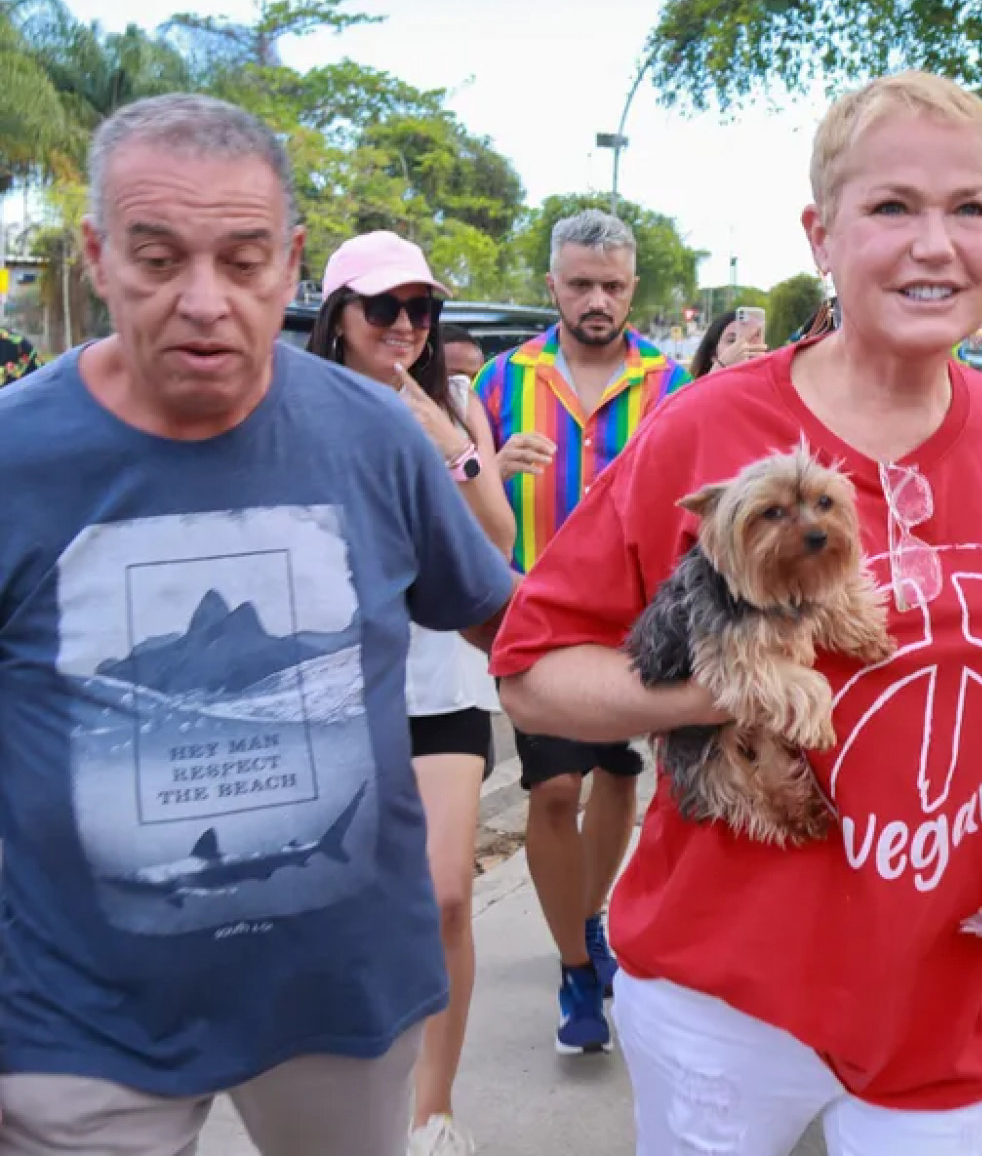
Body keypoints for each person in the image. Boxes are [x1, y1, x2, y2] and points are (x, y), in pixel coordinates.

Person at [492, 71, 982, 1153]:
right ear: (823, 232)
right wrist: (718, 686)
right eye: (891, 207)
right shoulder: (704, 426)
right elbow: (529, 668)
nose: (935, 245)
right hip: (727, 999)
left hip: (947, 990)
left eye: (971, 209)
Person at [0, 93, 515, 1153]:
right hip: (75, 1017)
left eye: (242, 261)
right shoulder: (15, 458)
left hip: (338, 997)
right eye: (156, 258)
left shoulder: (374, 434)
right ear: (98, 256)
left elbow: (503, 621)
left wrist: (695, 684)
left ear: (291, 265)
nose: (204, 301)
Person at [306, 230, 515, 1156]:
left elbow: (498, 541)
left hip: (443, 678)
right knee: (338, 907)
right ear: (337, 317)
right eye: (382, 308)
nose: (403, 325)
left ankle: (433, 1111)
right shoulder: (296, 407)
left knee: (445, 897)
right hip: (338, 692)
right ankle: (351, 1100)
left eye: (419, 309)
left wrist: (447, 439)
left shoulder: (457, 404)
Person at [472, 209, 690, 1051]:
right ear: (552, 284)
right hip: (536, 622)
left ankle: (591, 918)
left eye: (611, 284)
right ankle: (574, 966)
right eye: (580, 283)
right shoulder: (497, 383)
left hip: (646, 629)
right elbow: (459, 500)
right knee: (554, 789)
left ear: (634, 287)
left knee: (619, 780)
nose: (596, 299)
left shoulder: (674, 386)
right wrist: (486, 471)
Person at [689, 305, 770, 378]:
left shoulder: (773, 387)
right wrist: (721, 366)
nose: (742, 347)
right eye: (732, 340)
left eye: (751, 339)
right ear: (713, 354)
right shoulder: (693, 390)